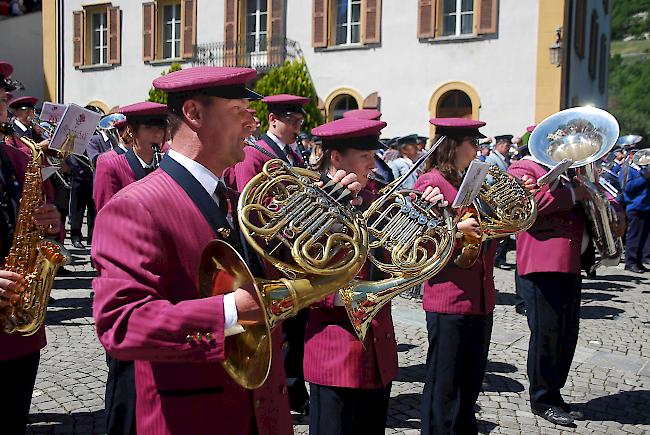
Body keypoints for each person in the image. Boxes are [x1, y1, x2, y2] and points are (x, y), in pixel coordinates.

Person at [92, 66, 364, 435]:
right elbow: (121, 325)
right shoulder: (136, 205)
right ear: (194, 114)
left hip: (260, 410)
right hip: (194, 416)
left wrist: (324, 221)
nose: (252, 126)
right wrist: (233, 310)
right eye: (240, 112)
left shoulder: (235, 200)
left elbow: (277, 273)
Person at [306, 117, 448, 435]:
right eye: (366, 156)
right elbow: (298, 274)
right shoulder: (308, 200)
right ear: (336, 157)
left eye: (374, 156)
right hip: (336, 350)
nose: (374, 165)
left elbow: (405, 253)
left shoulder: (375, 197)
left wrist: (430, 219)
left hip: (378, 347)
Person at [225, 93, 312, 415]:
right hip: (270, 256)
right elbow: (253, 213)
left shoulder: (293, 154)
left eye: (299, 121)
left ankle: (293, 387)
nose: (297, 126)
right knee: (283, 329)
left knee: (296, 327)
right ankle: (285, 389)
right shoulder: (254, 154)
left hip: (293, 252)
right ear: (274, 119)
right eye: (292, 120)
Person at [414, 118, 498, 435]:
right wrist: (456, 230)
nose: (477, 149)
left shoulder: (469, 181)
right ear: (454, 146)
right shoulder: (430, 183)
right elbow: (421, 239)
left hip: (478, 296)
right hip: (449, 295)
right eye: (472, 143)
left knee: (470, 378)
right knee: (444, 383)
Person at [0, 59, 62, 435]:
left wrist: (50, 225)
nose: (5, 97)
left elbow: (43, 227)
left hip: (18, 327)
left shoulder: (19, 159)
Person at [508, 151, 592, 426]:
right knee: (547, 333)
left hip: (569, 262)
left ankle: (554, 394)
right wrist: (571, 194)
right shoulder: (523, 167)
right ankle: (542, 399)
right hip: (542, 262)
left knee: (567, 332)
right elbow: (526, 206)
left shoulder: (569, 171)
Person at [93, 102, 167, 212]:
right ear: (131, 131)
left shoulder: (167, 165)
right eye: (149, 127)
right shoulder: (110, 166)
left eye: (161, 128)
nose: (157, 134)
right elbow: (107, 215)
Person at [618, 153, 650, 273]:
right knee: (634, 237)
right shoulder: (628, 170)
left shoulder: (644, 170)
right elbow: (627, 187)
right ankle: (630, 262)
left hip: (646, 206)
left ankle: (639, 261)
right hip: (635, 207)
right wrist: (643, 178)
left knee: (644, 237)